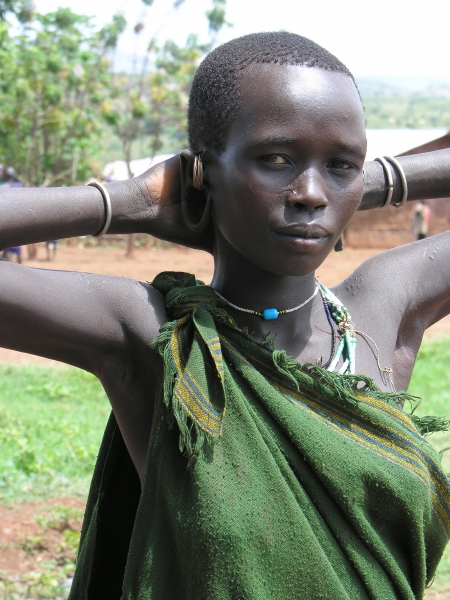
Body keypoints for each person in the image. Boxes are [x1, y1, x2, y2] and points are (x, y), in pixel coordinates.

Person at [1, 32, 450, 599]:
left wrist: (368, 183)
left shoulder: (383, 307)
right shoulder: (152, 334)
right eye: (276, 159)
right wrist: (131, 202)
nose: (311, 194)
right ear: (202, 172)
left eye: (341, 164)